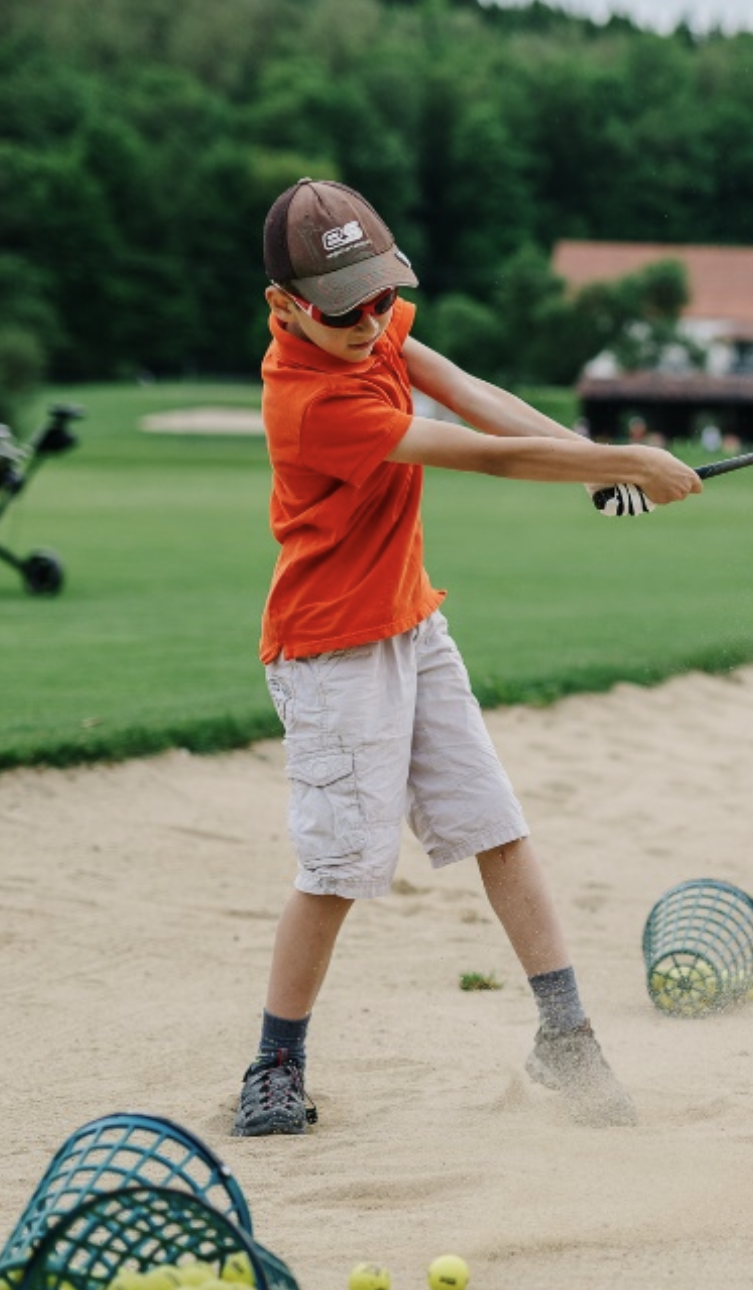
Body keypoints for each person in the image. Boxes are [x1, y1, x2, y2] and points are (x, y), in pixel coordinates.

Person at [233, 179, 701, 1137]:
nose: (371, 321)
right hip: (332, 652)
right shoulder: (313, 402)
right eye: (345, 309)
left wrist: (586, 459)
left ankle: (566, 1036)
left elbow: (476, 396)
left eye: (380, 296)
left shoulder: (372, 332)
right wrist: (624, 461)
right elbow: (483, 454)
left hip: (412, 625)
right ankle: (275, 1063)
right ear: (285, 305)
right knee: (339, 867)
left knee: (496, 824)